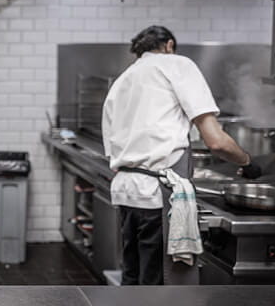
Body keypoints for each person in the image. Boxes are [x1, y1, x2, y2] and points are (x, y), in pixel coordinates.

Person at [102, 25, 261, 286]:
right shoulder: (177, 65)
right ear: (169, 45)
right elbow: (216, 141)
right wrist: (247, 162)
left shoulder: (121, 81)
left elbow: (113, 156)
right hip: (158, 197)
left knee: (133, 281)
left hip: (126, 193)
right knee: (158, 289)